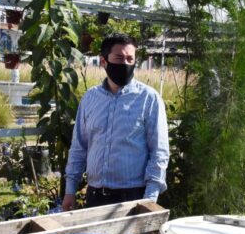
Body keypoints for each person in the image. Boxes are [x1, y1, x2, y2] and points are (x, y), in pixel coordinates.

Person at [62, 33, 169, 210]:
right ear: (103, 61)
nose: (125, 64)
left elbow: (159, 152)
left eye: (130, 59)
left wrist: (149, 199)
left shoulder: (149, 99)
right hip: (95, 196)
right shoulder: (90, 99)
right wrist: (70, 190)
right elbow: (79, 147)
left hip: (132, 198)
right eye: (119, 58)